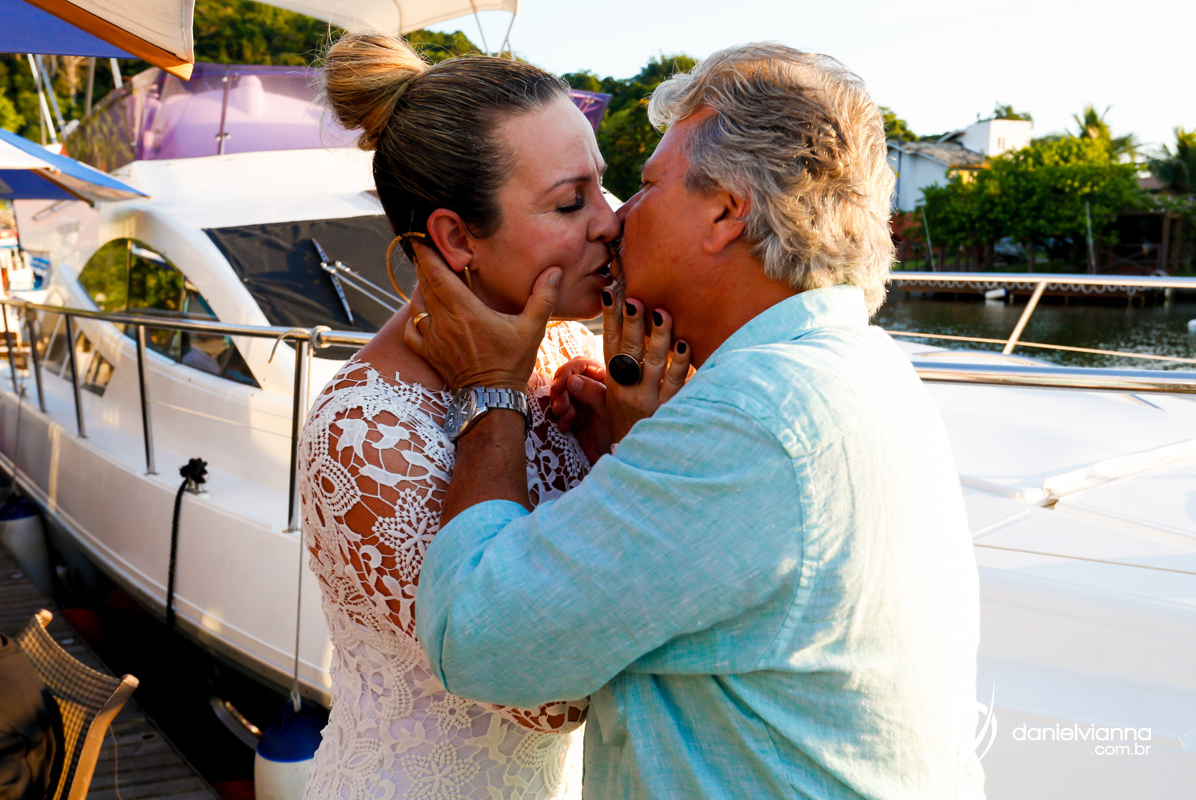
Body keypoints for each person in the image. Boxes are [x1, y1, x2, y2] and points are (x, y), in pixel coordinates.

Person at [405, 43, 986, 798]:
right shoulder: (868, 370)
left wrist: (490, 389)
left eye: (646, 186)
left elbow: (474, 641)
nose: (618, 219)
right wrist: (635, 447)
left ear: (725, 211)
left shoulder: (753, 418)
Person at [295, 32, 644, 800]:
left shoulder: (560, 342)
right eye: (571, 202)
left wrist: (620, 437)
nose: (611, 222)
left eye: (603, 186)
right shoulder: (367, 436)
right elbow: (552, 698)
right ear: (456, 238)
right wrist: (633, 465)